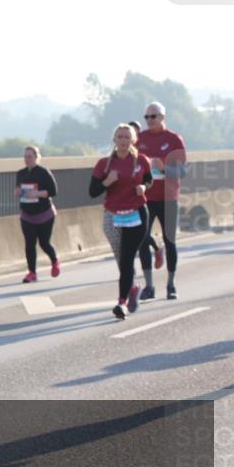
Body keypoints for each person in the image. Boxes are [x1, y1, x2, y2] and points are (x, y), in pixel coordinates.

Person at [89, 124, 152, 320]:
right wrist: (108, 181)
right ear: (114, 140)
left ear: (133, 140)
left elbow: (149, 180)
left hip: (137, 214)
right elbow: (92, 192)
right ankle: (132, 287)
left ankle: (121, 302)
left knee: (126, 258)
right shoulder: (104, 164)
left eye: (127, 137)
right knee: (121, 258)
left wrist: (143, 186)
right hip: (113, 215)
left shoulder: (141, 161)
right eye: (120, 137)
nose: (123, 140)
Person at [136, 103, 186, 300]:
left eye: (153, 116)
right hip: (145, 199)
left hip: (168, 198)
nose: (149, 120)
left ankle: (171, 284)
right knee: (142, 240)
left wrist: (163, 168)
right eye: (146, 116)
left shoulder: (174, 140)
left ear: (163, 117)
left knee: (170, 241)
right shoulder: (139, 140)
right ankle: (149, 286)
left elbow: (182, 171)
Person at [15, 145, 60, 283]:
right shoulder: (21, 173)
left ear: (36, 157)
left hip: (44, 213)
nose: (27, 159)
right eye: (25, 156)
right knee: (29, 244)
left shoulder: (44, 172)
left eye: (30, 156)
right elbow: (18, 189)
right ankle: (32, 273)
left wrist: (37, 193)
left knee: (44, 243)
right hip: (27, 214)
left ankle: (55, 261)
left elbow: (53, 191)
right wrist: (17, 192)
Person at [128, 121, 165, 271]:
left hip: (146, 200)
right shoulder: (119, 155)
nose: (132, 138)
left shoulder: (143, 155)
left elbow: (151, 176)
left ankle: (155, 249)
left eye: (135, 134)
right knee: (131, 234)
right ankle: (129, 268)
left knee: (140, 234)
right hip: (127, 201)